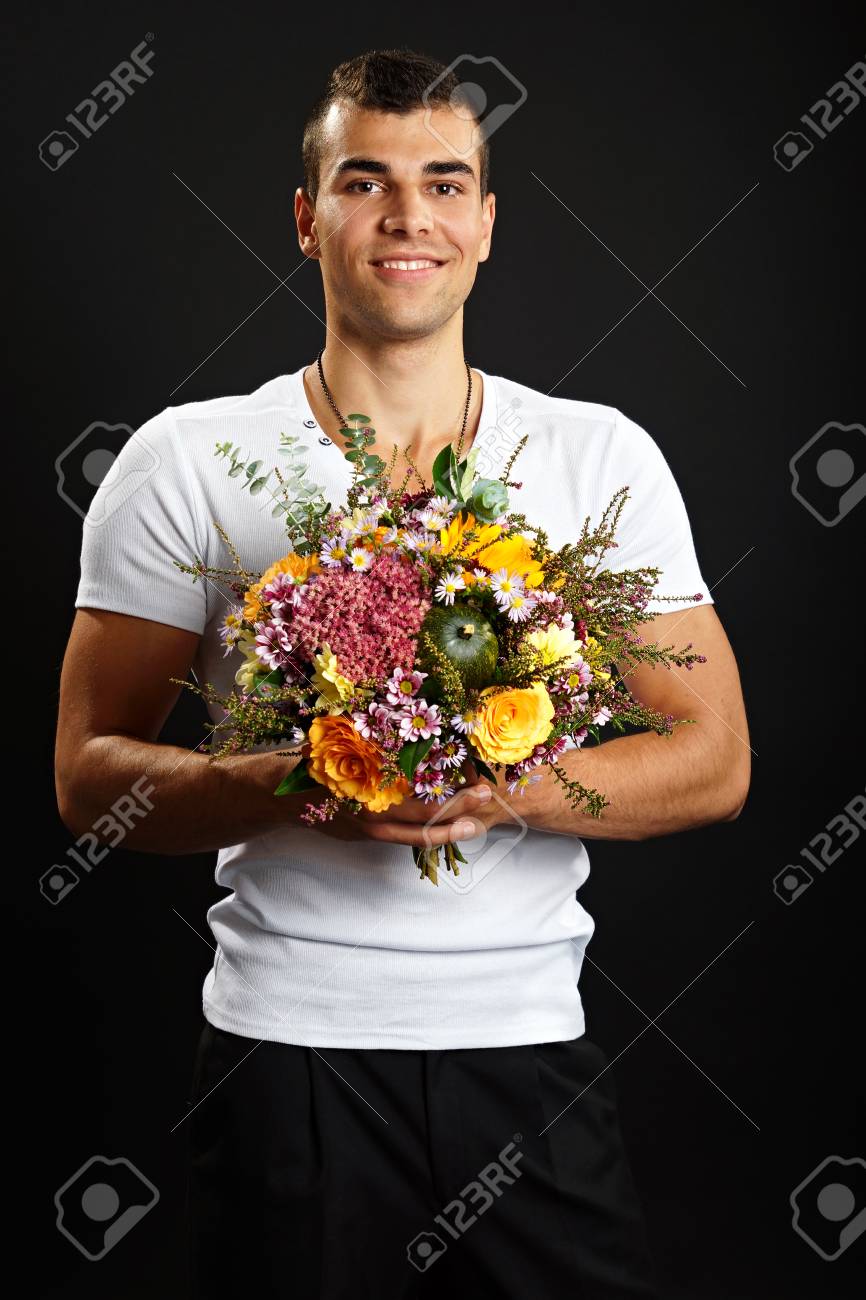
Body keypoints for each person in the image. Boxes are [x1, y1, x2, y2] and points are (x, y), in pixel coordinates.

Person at [55, 47, 750, 1299]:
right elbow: (86, 776)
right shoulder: (186, 460)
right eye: (364, 180)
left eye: (443, 181)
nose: (406, 215)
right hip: (286, 1059)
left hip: (527, 1053)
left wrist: (506, 786)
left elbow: (714, 757)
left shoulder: (600, 457)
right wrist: (306, 779)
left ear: (485, 224)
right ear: (307, 218)